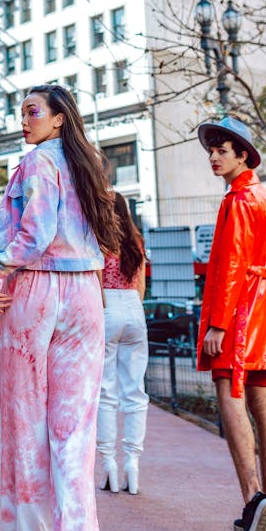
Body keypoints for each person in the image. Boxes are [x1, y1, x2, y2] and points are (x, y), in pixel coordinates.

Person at [0, 85, 118, 531]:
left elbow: (33, 232)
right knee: (75, 434)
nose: (24, 121)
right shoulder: (91, 169)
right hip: (84, 295)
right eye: (22, 113)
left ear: (60, 118)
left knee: (25, 427)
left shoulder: (36, 163)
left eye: (33, 112)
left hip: (34, 295)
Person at [197, 117, 266, 531]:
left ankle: (254, 503)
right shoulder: (264, 196)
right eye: (212, 150)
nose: (214, 157)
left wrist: (217, 323)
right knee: (263, 401)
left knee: (229, 395)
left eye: (222, 150)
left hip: (238, 314)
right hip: (265, 313)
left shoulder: (237, 199)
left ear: (242, 155)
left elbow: (232, 264)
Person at [96, 188, 149, 495]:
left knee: (105, 392)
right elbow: (140, 285)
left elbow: (96, 282)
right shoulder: (135, 242)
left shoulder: (100, 240)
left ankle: (109, 466)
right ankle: (133, 464)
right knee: (134, 392)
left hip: (107, 308)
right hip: (134, 308)